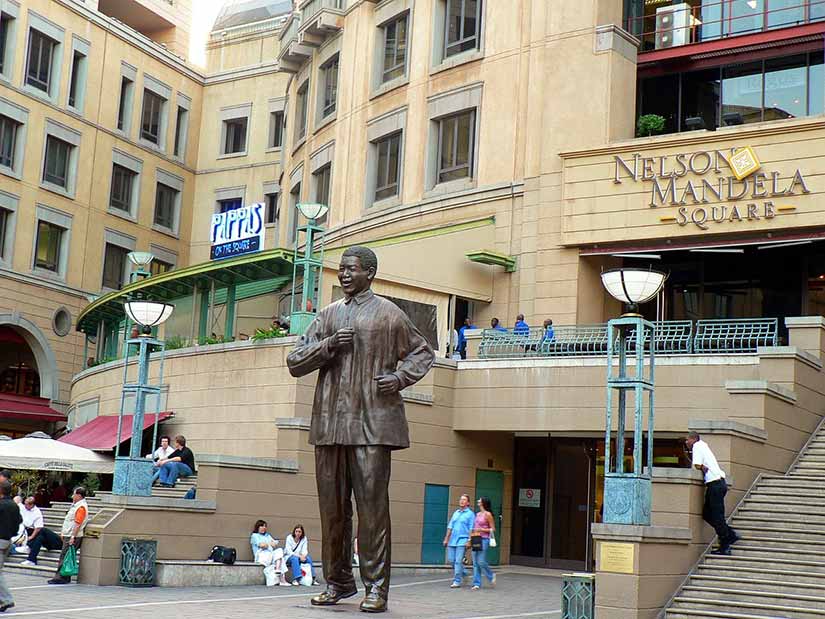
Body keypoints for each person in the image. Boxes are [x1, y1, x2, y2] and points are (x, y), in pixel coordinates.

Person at [287, 245, 435, 613]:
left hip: (371, 425)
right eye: (341, 269)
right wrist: (327, 346)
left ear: (370, 272)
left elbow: (423, 351)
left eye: (352, 269)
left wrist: (400, 377)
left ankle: (377, 588)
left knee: (372, 511)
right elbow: (294, 361)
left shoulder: (388, 314)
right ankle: (337, 582)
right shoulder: (328, 315)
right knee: (332, 511)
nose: (345, 275)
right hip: (331, 427)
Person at [685, 431, 740, 555]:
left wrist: (701, 467)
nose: (686, 442)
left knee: (716, 515)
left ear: (694, 439)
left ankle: (725, 544)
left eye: (687, 439)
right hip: (718, 483)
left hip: (715, 484)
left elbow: (697, 464)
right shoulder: (703, 445)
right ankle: (730, 534)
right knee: (707, 514)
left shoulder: (697, 446)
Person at [47, 486, 89, 585]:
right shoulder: (76, 505)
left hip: (72, 535)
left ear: (79, 495)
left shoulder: (81, 507)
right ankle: (65, 576)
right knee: (66, 556)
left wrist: (72, 536)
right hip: (69, 534)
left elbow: (77, 523)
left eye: (74, 494)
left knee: (64, 555)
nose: (72, 496)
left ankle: (60, 577)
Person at [442, 494, 475, 588]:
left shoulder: (470, 514)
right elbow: (450, 526)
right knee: (451, 560)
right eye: (461, 499)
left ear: (468, 503)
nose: (462, 501)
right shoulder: (456, 513)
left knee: (458, 561)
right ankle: (464, 573)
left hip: (463, 540)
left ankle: (457, 581)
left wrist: (469, 540)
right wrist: (446, 538)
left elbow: (471, 528)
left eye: (464, 500)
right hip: (452, 540)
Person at [0, 480, 22, 611]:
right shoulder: (14, 505)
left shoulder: (1, 505)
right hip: (8, 540)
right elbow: (19, 521)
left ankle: (6, 599)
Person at [250, 520, 290, 587]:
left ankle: (278, 570)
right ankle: (282, 579)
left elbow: (275, 543)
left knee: (280, 551)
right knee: (279, 558)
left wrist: (270, 544)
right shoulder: (255, 536)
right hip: (261, 556)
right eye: (262, 526)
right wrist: (269, 544)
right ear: (258, 527)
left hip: (269, 555)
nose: (264, 527)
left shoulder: (267, 535)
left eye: (265, 526)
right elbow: (262, 545)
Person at [470, 497, 496, 590]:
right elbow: (474, 527)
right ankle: (476, 583)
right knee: (475, 562)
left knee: (481, 561)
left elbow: (493, 529)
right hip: (475, 538)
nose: (478, 501)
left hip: (484, 539)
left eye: (480, 500)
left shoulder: (488, 514)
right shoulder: (477, 514)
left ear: (483, 503)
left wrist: (482, 529)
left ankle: (491, 575)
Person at [15, 496, 45, 566]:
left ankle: (30, 557)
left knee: (39, 538)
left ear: (32, 505)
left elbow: (38, 527)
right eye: (24, 504)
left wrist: (31, 537)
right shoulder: (22, 508)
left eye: (27, 505)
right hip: (21, 528)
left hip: (30, 530)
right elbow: (17, 501)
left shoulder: (37, 512)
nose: (25, 506)